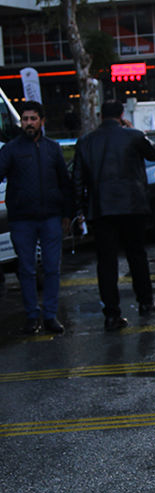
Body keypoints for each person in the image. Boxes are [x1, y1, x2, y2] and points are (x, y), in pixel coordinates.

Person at [72, 101, 155, 332]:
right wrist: (137, 132)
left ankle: (111, 313)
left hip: (102, 208)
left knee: (106, 262)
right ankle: (145, 301)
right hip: (132, 205)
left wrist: (80, 210)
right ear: (121, 115)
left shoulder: (86, 141)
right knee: (137, 255)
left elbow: (78, 179)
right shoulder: (132, 135)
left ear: (101, 115)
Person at [0, 101, 73, 334]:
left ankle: (50, 315)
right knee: (27, 269)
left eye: (33, 119)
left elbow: (65, 182)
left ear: (42, 121)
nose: (28, 123)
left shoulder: (52, 148)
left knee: (52, 268)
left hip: (51, 216)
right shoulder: (11, 149)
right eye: (24, 119)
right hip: (22, 219)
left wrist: (68, 214)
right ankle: (32, 315)